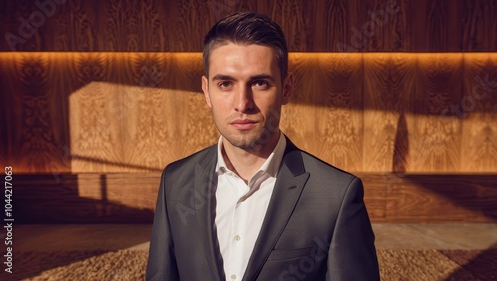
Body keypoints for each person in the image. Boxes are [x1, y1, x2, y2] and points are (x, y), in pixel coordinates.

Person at [146, 11, 380, 281]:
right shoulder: (175, 182)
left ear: (287, 88)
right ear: (206, 91)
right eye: (225, 84)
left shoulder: (336, 196)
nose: (242, 103)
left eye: (259, 83)